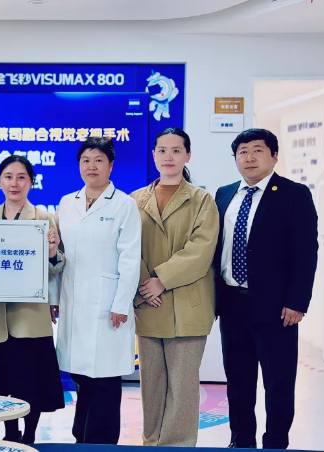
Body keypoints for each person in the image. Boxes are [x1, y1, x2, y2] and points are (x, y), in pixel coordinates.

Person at [214, 129, 317, 450]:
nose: (249, 157)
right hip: (232, 304)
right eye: (242, 151)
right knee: (238, 383)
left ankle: (275, 445)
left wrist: (297, 302)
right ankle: (241, 441)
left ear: (274, 156)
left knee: (278, 384)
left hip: (277, 309)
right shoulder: (224, 194)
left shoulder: (294, 194)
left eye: (257, 150)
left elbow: (306, 252)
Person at [130, 128, 219, 447]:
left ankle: (177, 447)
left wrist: (160, 280)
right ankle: (151, 443)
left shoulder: (202, 200)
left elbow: (200, 250)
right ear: (153, 155)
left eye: (176, 151)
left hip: (187, 306)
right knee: (151, 386)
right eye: (162, 150)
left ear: (187, 156)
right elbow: (127, 249)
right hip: (148, 304)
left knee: (182, 388)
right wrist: (145, 286)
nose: (169, 157)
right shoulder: (134, 201)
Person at [51, 136, 141, 445]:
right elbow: (59, 254)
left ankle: (101, 444)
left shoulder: (124, 205)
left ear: (111, 165)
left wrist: (121, 304)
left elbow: (130, 258)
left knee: (104, 379)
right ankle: (82, 438)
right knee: (82, 377)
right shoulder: (67, 203)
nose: (92, 166)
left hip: (108, 306)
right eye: (86, 160)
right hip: (73, 302)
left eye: (99, 160)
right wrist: (54, 297)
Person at [0, 156, 65, 445]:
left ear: (31, 182)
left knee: (30, 382)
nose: (14, 183)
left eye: (21, 177)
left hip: (30, 316)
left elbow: (57, 266)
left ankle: (29, 435)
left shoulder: (43, 218)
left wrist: (51, 253)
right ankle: (9, 433)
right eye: (8, 177)